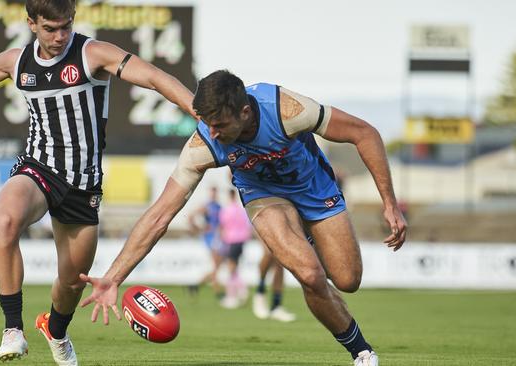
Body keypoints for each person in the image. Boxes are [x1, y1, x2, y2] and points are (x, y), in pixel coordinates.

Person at [0, 0, 195, 364]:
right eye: (50, 28)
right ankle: (12, 329)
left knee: (70, 283)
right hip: (39, 168)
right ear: (32, 24)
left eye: (66, 26)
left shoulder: (92, 53)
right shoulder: (16, 61)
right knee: (5, 219)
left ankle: (56, 330)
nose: (60, 36)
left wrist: (199, 112)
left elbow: (156, 78)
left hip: (83, 184)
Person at [78, 70, 407, 366]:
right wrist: (114, 276)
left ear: (245, 112)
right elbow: (159, 216)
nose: (213, 133)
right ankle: (363, 354)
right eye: (208, 124)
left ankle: (309, 234)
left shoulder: (287, 110)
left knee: (348, 280)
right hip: (264, 196)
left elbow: (365, 133)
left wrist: (389, 204)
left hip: (315, 189)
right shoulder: (205, 143)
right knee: (309, 274)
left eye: (220, 125)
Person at [187, 186, 224, 298]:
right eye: (212, 193)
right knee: (216, 266)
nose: (214, 195)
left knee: (217, 266)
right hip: (210, 238)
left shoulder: (219, 206)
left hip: (218, 238)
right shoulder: (207, 206)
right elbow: (191, 216)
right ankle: (218, 292)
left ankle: (195, 286)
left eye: (215, 193)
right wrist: (199, 229)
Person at [217, 188, 251, 309]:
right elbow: (248, 225)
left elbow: (222, 226)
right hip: (241, 240)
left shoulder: (226, 210)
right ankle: (241, 290)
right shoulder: (241, 210)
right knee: (234, 267)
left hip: (231, 240)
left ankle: (232, 296)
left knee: (231, 268)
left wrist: (220, 241)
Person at [252, 239, 297, 322]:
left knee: (279, 260)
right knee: (269, 253)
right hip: (262, 226)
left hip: (283, 226)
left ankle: (276, 306)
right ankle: (260, 291)